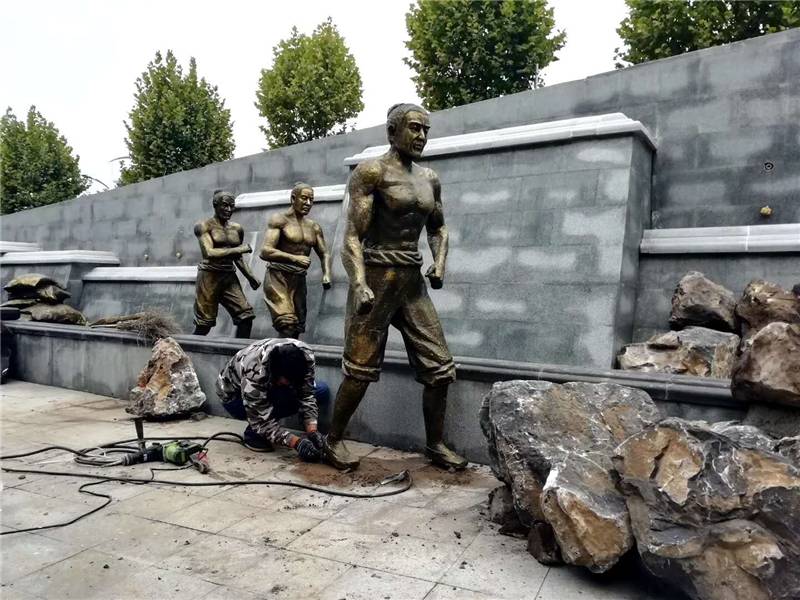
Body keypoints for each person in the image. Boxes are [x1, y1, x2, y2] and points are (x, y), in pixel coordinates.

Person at [322, 103, 468, 472]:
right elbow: (351, 236)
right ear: (392, 132)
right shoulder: (371, 173)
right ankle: (333, 439)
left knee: (440, 368)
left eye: (426, 130)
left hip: (412, 282)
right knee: (359, 370)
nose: (421, 136)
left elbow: (438, 228)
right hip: (376, 278)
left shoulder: (430, 178)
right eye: (414, 128)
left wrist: (439, 262)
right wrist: (358, 283)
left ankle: (435, 444)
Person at [216, 338, 329, 461]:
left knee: (321, 391)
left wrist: (312, 430)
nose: (289, 384)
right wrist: (296, 442)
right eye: (285, 381)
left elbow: (307, 394)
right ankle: (253, 435)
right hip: (234, 399)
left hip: (265, 385)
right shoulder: (255, 372)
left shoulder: (307, 356)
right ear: (275, 373)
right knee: (281, 398)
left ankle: (300, 432)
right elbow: (261, 422)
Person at [260, 183, 332, 338]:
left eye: (311, 200)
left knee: (297, 327)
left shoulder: (314, 227)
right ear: (293, 198)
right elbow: (265, 251)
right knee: (287, 325)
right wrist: (295, 258)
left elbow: (324, 253)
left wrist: (326, 273)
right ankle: (278, 353)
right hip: (278, 277)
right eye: (304, 198)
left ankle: (287, 353)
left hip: (299, 279)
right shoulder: (279, 220)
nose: (308, 203)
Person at [193, 190, 260, 338]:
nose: (229, 210)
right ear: (215, 205)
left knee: (246, 317)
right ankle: (186, 349)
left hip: (229, 276)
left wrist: (250, 277)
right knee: (204, 325)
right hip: (209, 276)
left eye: (232, 206)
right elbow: (209, 253)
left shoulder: (237, 229)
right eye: (225, 205)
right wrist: (240, 249)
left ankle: (240, 351)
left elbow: (238, 257)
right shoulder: (203, 226)